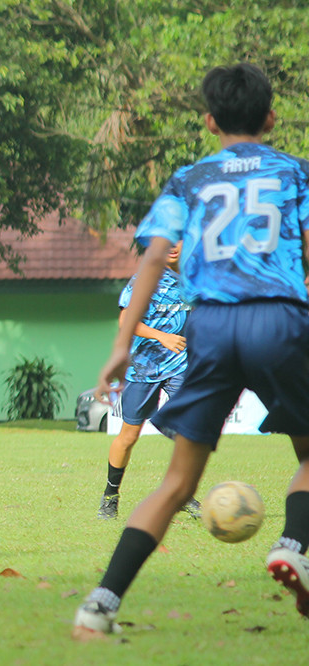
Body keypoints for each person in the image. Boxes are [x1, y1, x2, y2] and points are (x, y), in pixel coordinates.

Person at [73, 63, 309, 639]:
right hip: (278, 321)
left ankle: (98, 607)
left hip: (208, 327)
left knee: (177, 483)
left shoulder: (190, 178)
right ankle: (294, 544)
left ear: (209, 121)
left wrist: (122, 343)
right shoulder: (295, 173)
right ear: (272, 118)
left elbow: (153, 258)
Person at [96, 241, 201, 520]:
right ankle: (110, 497)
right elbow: (125, 321)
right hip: (143, 368)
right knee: (129, 436)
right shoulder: (146, 278)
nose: (172, 246)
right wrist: (161, 336)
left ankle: (183, 493)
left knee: (187, 431)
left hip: (180, 364)